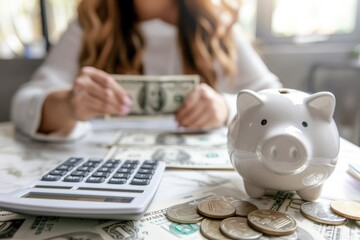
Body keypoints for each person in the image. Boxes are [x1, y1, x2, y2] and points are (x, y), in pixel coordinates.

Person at [11, 0, 282, 141]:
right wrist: (69, 104)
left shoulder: (216, 26)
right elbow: (24, 103)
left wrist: (225, 108)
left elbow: (278, 101)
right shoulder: (91, 24)